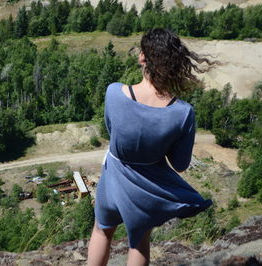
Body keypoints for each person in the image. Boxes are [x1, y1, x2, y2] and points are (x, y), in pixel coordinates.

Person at [87, 28, 216, 266]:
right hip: (144, 191)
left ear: (142, 57)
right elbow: (180, 164)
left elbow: (112, 131)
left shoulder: (114, 93)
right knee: (139, 241)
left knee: (101, 231)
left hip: (113, 179)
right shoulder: (182, 113)